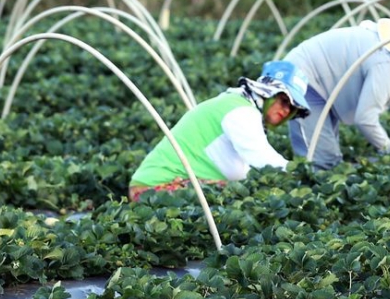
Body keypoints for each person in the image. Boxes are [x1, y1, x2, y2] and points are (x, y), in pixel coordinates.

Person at [282, 15, 390, 170]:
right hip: (302, 78)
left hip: (323, 81)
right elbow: (365, 119)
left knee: (326, 159)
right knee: (321, 161)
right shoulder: (387, 65)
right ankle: (301, 199)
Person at [128, 60, 311, 201]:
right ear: (267, 93)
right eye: (284, 100)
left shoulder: (239, 105)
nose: (286, 110)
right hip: (155, 188)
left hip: (159, 186)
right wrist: (302, 176)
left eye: (292, 107)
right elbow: (262, 159)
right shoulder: (241, 111)